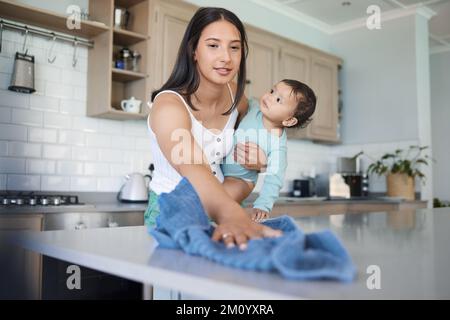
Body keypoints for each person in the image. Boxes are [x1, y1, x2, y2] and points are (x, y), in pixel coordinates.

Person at [145, 7, 282, 250]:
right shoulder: (168, 106)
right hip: (173, 212)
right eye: (213, 45)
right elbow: (193, 166)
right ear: (193, 50)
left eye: (234, 47)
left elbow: (263, 137)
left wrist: (261, 160)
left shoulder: (238, 100)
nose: (226, 58)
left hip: (225, 206)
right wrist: (232, 215)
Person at [221, 80, 317, 222]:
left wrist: (263, 205)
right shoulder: (254, 107)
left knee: (217, 200)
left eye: (278, 100)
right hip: (219, 169)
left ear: (289, 120)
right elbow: (239, 97)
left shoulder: (278, 143)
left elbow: (275, 178)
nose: (270, 97)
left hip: (240, 180)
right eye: (272, 91)